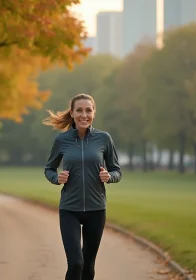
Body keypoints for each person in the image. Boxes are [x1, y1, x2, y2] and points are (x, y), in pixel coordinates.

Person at [42, 93, 122, 280]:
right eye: (79, 110)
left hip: (96, 209)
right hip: (69, 208)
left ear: (94, 112)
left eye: (88, 110)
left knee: (88, 265)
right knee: (76, 263)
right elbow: (49, 169)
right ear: (72, 113)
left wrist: (109, 176)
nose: (83, 115)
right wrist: (57, 178)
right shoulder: (62, 140)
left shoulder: (104, 139)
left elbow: (117, 170)